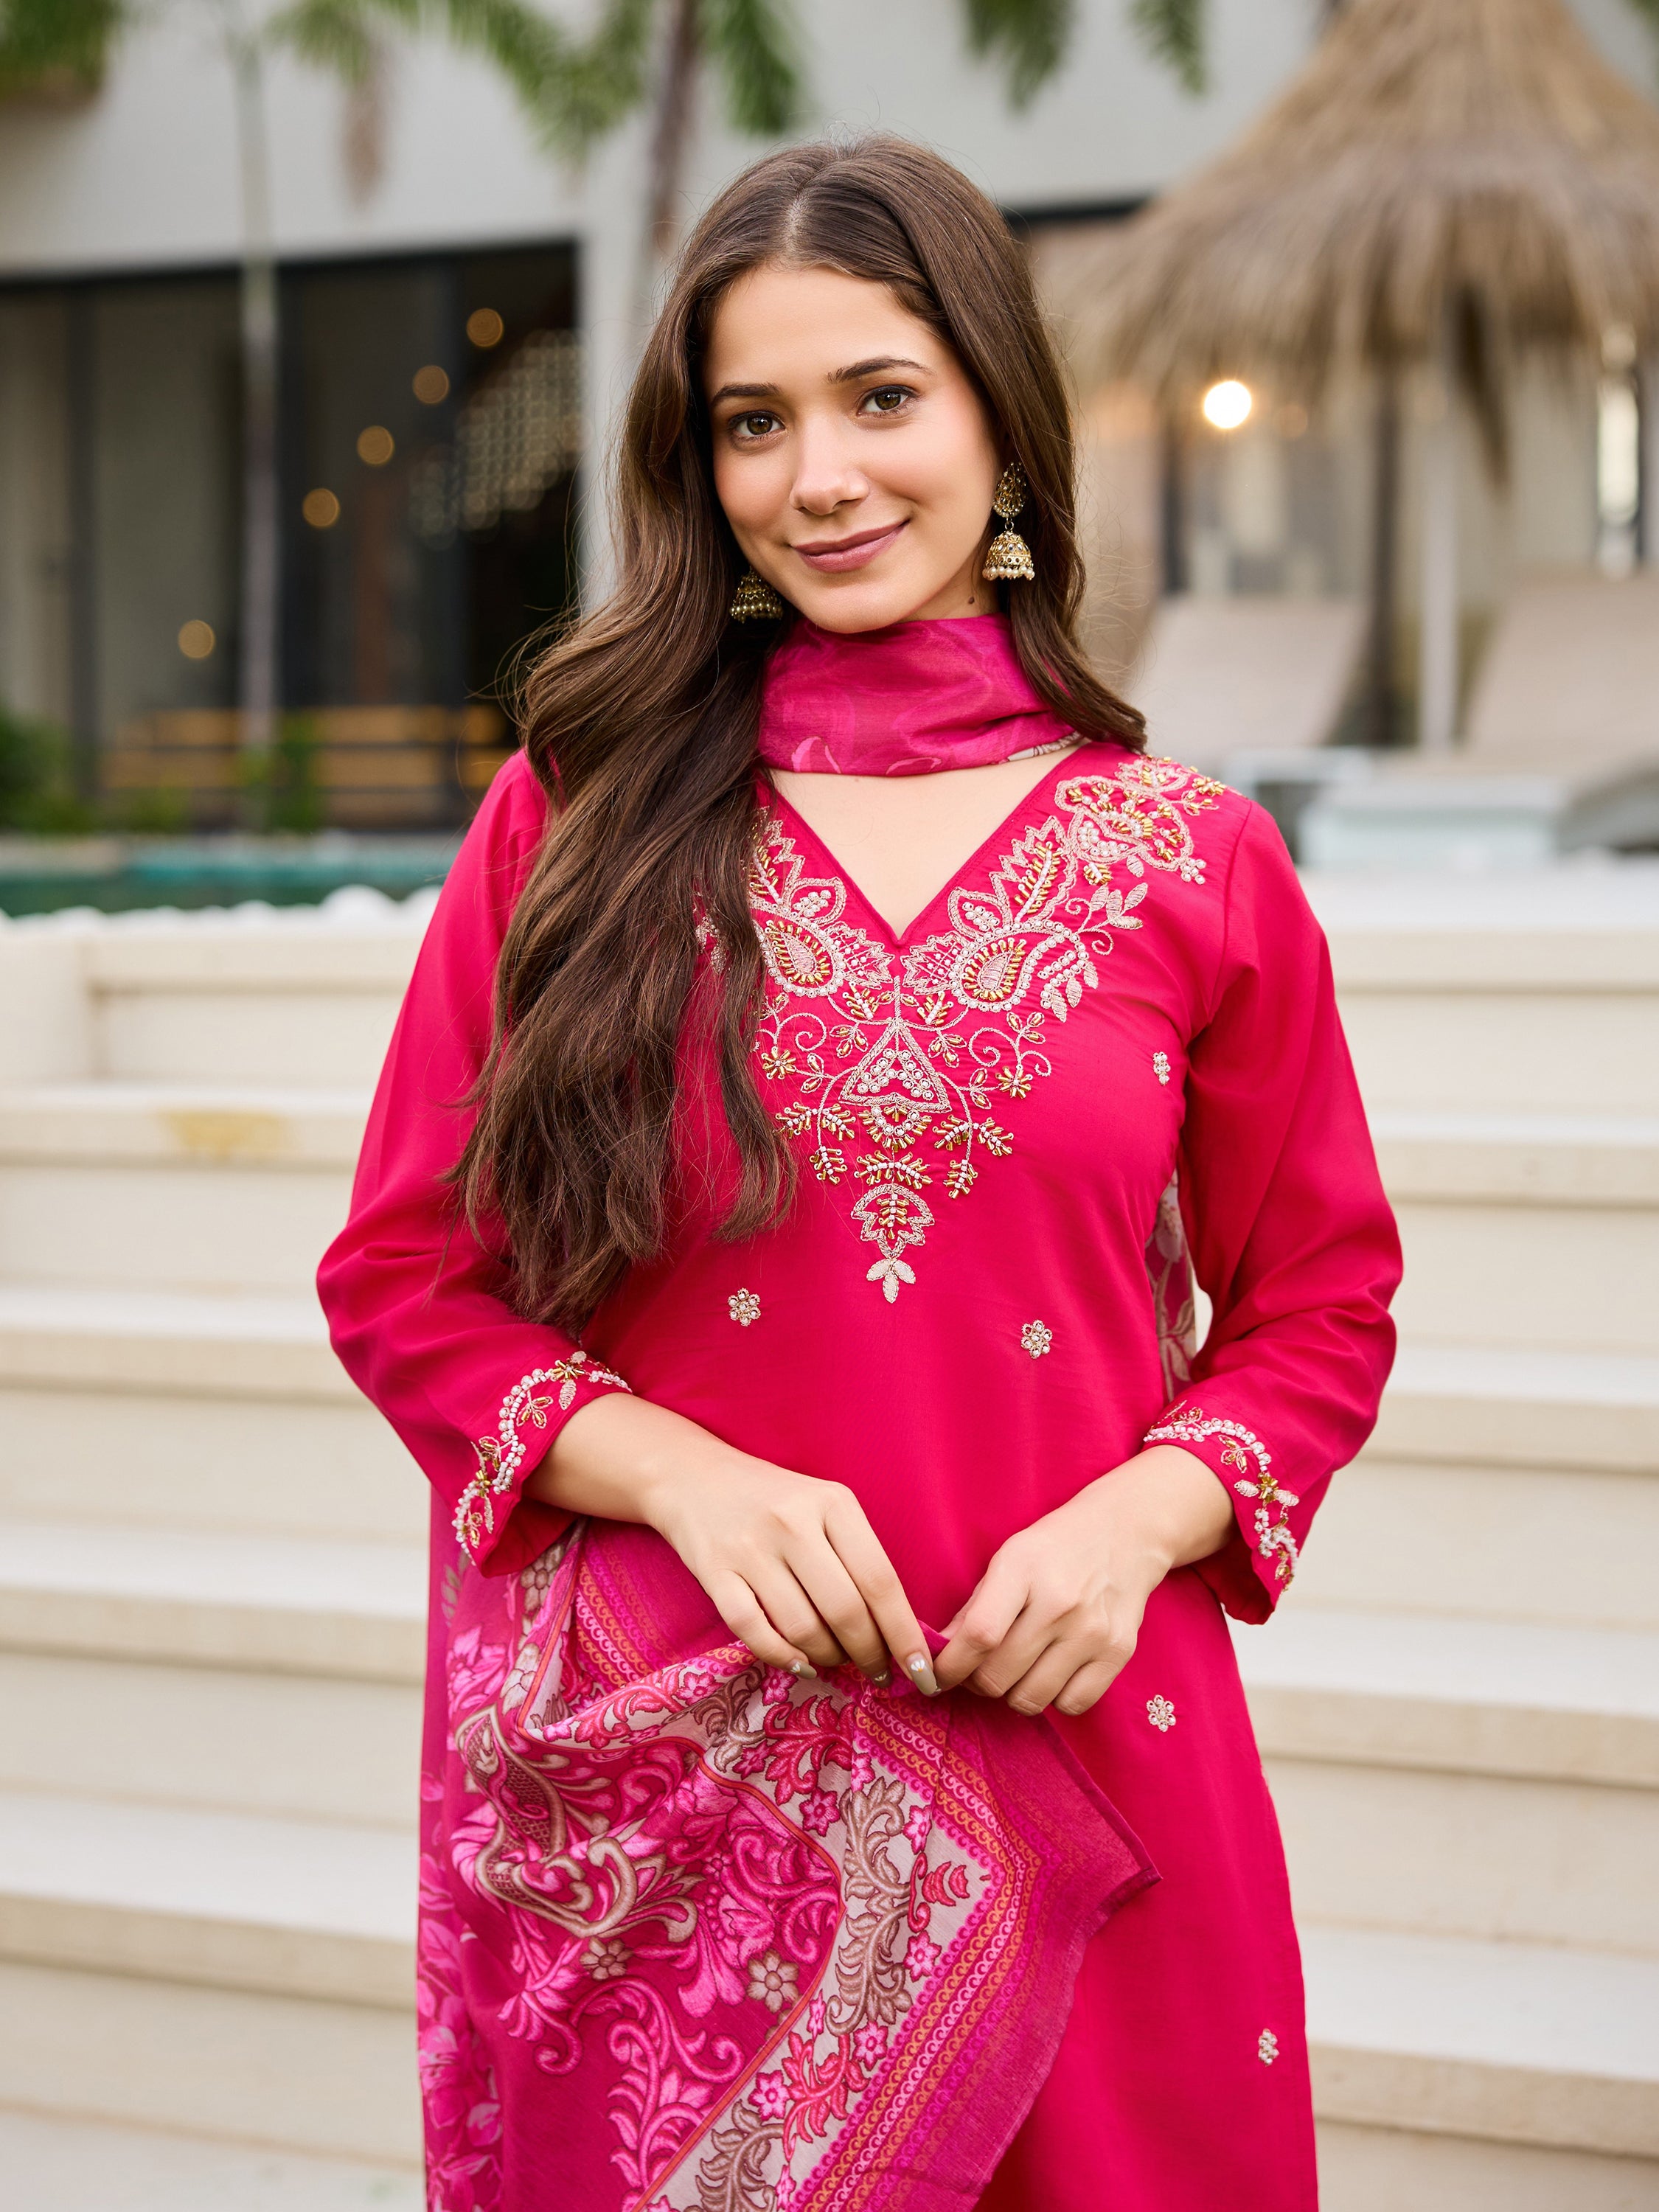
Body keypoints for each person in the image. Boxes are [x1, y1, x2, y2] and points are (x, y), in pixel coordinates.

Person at [319, 135, 1400, 2212]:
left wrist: (1132, 1526)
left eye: (879, 398)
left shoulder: (1192, 861)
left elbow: (1318, 1303)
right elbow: (405, 1278)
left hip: (1088, 1747)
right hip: (686, 1788)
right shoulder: (574, 822)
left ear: (998, 413)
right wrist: (680, 1475)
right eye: (752, 421)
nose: (817, 477)